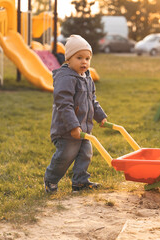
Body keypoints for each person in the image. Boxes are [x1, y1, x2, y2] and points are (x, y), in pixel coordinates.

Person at [44, 35, 108, 193]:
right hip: (66, 130)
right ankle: (50, 180)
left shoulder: (87, 77)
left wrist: (100, 116)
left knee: (86, 153)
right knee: (65, 156)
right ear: (68, 60)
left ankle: (80, 182)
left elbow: (92, 100)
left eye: (87, 58)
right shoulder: (65, 78)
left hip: (84, 129)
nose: (84, 62)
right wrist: (73, 126)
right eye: (79, 58)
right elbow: (64, 104)